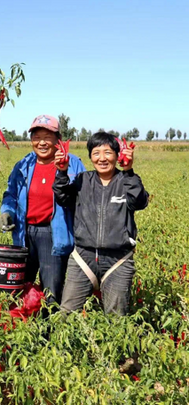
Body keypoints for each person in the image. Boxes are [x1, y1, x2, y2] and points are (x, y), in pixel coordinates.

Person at [53, 132, 149, 315]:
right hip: (83, 257)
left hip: (118, 260)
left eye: (108, 152)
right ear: (90, 157)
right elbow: (63, 198)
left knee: (116, 317)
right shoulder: (83, 180)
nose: (102, 158)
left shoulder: (125, 181)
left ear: (117, 155)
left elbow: (139, 201)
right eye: (96, 153)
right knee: (66, 313)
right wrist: (62, 172)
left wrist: (129, 171)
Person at [0, 115, 86, 306]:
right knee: (19, 286)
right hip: (24, 232)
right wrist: (7, 211)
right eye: (37, 137)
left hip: (54, 233)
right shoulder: (23, 165)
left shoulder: (72, 164)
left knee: (52, 289)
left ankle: (50, 331)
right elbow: (11, 194)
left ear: (58, 140)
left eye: (47, 137)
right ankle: (23, 326)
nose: (42, 142)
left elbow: (84, 198)